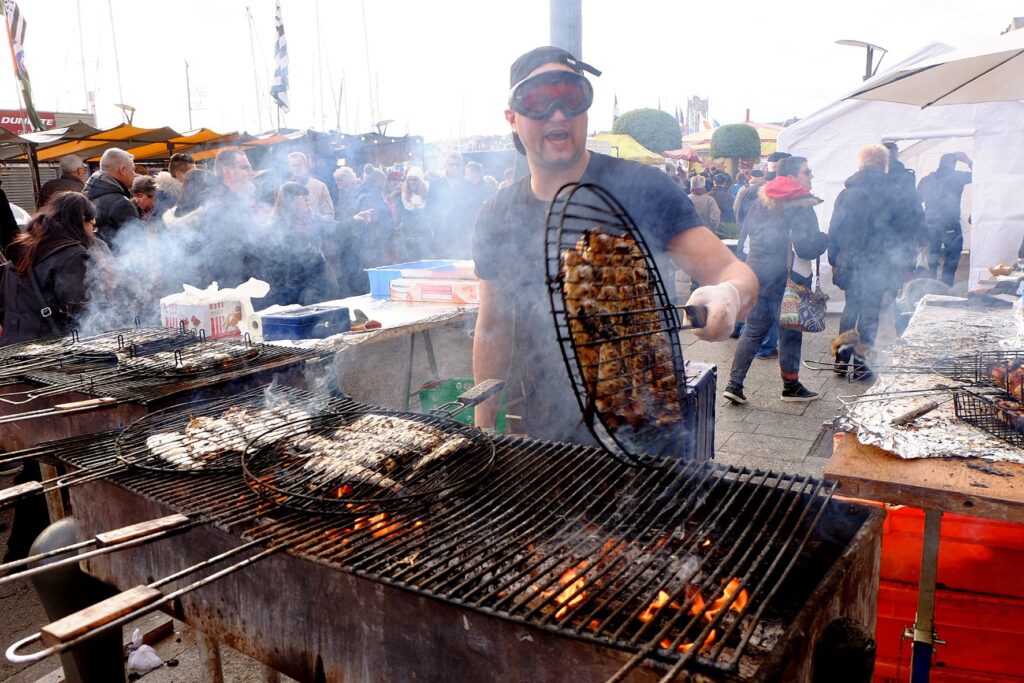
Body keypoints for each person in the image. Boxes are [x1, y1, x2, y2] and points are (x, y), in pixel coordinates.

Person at [472, 46, 757, 443]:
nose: (557, 113)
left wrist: (729, 293)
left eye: (572, 97)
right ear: (512, 118)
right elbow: (492, 328)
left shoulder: (643, 188)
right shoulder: (497, 213)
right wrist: (484, 424)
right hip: (551, 436)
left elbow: (734, 272)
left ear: (586, 110)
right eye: (537, 100)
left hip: (652, 435)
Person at [723, 155, 828, 405]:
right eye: (807, 171)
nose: (811, 176)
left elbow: (745, 236)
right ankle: (790, 386)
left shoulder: (760, 198)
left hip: (757, 274)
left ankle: (734, 384)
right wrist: (824, 239)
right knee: (790, 331)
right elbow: (806, 247)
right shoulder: (801, 204)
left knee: (754, 330)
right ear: (791, 176)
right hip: (785, 278)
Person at [828, 144, 911, 380]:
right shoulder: (893, 192)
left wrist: (834, 258)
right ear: (884, 164)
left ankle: (841, 361)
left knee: (851, 308)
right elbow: (903, 231)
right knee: (870, 313)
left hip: (851, 259)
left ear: (861, 163)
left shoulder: (847, 193)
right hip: (880, 262)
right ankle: (862, 365)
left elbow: (835, 228)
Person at [248, 182, 339, 307]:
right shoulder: (275, 228)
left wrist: (355, 220)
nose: (307, 199)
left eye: (307, 195)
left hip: (315, 292)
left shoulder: (313, 220)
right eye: (302, 196)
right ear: (290, 201)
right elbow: (272, 267)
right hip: (287, 295)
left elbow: (334, 228)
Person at [917, 152, 972, 286]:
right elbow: (981, 174)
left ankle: (928, 287)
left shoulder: (926, 180)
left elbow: (916, 201)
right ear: (953, 164)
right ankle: (946, 287)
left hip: (930, 223)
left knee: (932, 259)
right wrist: (968, 161)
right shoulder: (957, 177)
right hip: (950, 224)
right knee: (952, 257)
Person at [83, 148, 139, 243]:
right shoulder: (121, 203)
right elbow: (137, 241)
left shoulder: (86, 194)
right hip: (116, 256)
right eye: (133, 170)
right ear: (123, 170)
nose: (134, 174)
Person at [396, 166, 432, 261]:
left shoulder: (429, 193)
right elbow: (400, 214)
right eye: (410, 180)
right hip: (408, 238)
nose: (412, 182)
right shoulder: (402, 196)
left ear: (420, 180)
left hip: (425, 237)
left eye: (415, 180)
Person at [288, 152, 335, 219]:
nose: (296, 169)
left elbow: (329, 213)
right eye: (293, 166)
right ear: (290, 168)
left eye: (299, 165)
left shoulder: (320, 186)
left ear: (306, 166)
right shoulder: (287, 189)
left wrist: (316, 224)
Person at [153, 152, 196, 218]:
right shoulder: (167, 197)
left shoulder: (185, 192)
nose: (195, 175)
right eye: (192, 173)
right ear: (179, 175)